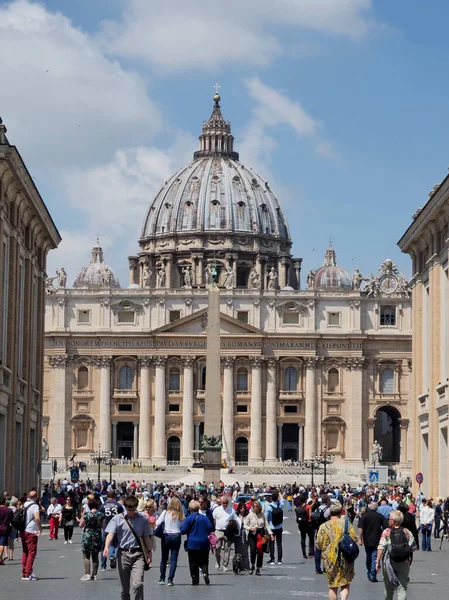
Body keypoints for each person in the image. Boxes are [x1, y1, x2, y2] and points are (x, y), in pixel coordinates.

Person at [104, 495, 152, 600]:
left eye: (133, 510)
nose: (131, 512)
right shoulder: (117, 518)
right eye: (129, 510)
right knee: (124, 589)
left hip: (138, 555)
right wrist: (106, 546)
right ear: (125, 507)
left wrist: (149, 552)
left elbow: (146, 537)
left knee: (138, 584)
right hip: (123, 555)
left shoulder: (143, 519)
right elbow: (110, 533)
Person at [316, 502, 357, 600]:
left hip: (330, 559)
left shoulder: (323, 526)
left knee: (333, 586)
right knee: (345, 583)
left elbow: (319, 544)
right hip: (345, 557)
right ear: (341, 512)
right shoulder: (347, 524)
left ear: (330, 512)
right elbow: (353, 539)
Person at [376, 509, 417, 599]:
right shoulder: (407, 532)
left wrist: (377, 561)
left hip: (388, 563)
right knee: (402, 589)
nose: (388, 520)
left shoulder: (387, 531)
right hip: (404, 562)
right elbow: (413, 547)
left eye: (389, 518)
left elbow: (381, 547)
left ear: (393, 521)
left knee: (389, 590)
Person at [181, 499, 214, 585]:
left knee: (193, 561)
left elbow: (183, 530)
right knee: (204, 560)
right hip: (204, 543)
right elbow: (211, 527)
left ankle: (195, 578)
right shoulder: (204, 518)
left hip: (192, 544)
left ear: (190, 509)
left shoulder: (188, 518)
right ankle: (205, 572)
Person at [156, 496, 184, 585]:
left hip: (166, 535)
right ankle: (170, 580)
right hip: (176, 536)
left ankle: (162, 578)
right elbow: (183, 526)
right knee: (174, 559)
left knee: (164, 558)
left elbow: (157, 523)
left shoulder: (165, 513)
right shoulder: (181, 515)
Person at [358, 501, 387, 582]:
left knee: (368, 556)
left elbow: (361, 528)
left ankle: (370, 572)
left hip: (367, 539)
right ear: (377, 508)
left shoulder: (364, 516)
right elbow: (386, 527)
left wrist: (360, 539)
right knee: (374, 556)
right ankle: (372, 574)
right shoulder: (380, 516)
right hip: (377, 539)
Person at [243, 500, 272, 576]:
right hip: (252, 534)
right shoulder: (250, 515)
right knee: (252, 550)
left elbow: (267, 525)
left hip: (260, 534)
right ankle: (252, 564)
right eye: (254, 506)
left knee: (260, 551)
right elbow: (245, 525)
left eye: (257, 506)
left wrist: (271, 534)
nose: (255, 508)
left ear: (259, 507)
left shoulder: (263, 515)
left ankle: (258, 568)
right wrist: (250, 528)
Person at [78, 497, 104, 581]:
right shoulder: (100, 515)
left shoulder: (87, 515)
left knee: (86, 555)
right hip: (97, 536)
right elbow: (102, 526)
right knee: (95, 556)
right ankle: (95, 575)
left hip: (87, 536)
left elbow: (81, 525)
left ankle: (87, 574)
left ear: (89, 506)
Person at [99, 490, 124, 571]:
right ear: (114, 497)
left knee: (104, 546)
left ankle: (103, 565)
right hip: (117, 527)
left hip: (106, 527)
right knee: (117, 544)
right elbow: (122, 517)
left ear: (107, 496)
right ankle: (114, 556)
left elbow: (100, 517)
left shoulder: (103, 506)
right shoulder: (118, 505)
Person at [213, 495, 238, 571]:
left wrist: (232, 524)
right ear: (221, 502)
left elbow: (235, 520)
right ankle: (218, 561)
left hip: (228, 531)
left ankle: (225, 565)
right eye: (223, 503)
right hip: (218, 530)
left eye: (226, 503)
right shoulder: (216, 510)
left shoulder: (231, 510)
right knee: (217, 547)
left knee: (227, 548)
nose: (225, 504)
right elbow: (214, 519)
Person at [21, 490, 42, 581]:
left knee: (25, 551)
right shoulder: (35, 506)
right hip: (31, 531)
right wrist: (40, 528)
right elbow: (37, 518)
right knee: (32, 552)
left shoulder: (24, 504)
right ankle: (28, 573)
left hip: (23, 531)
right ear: (35, 497)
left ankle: (24, 572)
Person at [265, 490, 284, 565]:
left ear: (271, 498)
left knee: (271, 543)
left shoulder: (268, 507)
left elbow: (266, 518)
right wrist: (279, 493)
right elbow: (282, 499)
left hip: (271, 527)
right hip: (279, 527)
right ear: (277, 498)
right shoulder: (280, 505)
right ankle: (279, 560)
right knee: (279, 543)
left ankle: (272, 559)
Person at [234, 502, 250, 570]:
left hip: (245, 534)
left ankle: (245, 565)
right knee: (238, 551)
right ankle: (238, 565)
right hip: (238, 535)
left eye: (243, 508)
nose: (242, 509)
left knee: (245, 550)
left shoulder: (248, 516)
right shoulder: (236, 516)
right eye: (241, 508)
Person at [0, 496, 13, 564]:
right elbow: (11, 519)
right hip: (4, 528)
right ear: (4, 502)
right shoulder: (8, 510)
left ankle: (1, 559)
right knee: (2, 543)